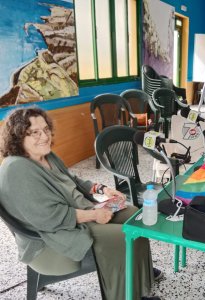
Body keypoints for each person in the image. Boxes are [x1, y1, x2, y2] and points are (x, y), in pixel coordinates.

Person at [0, 107, 161, 300]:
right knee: (125, 236)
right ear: (17, 136)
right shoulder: (16, 169)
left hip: (80, 212)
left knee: (134, 215)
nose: (44, 136)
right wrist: (94, 215)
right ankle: (126, 295)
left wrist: (103, 190)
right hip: (52, 236)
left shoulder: (46, 155)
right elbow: (49, 217)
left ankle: (139, 274)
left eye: (46, 129)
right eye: (35, 132)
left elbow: (74, 180)